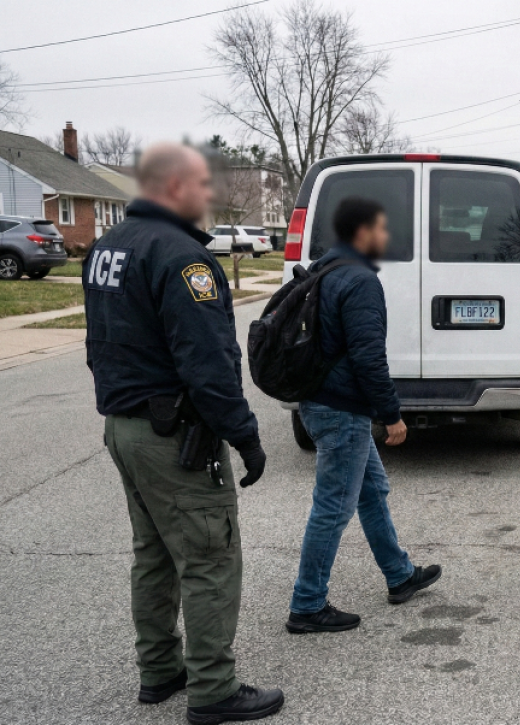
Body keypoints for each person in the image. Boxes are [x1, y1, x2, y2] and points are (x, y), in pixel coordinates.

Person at [85, 143, 283, 722]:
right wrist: (244, 434)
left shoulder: (107, 248)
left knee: (153, 555)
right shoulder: (183, 259)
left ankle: (160, 670)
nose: (210, 196)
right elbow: (209, 363)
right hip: (172, 436)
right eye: (201, 185)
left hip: (124, 428)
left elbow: (100, 346)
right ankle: (214, 690)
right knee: (208, 554)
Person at [286, 197, 442, 634]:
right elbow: (369, 357)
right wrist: (391, 415)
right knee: (333, 506)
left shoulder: (324, 271)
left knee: (372, 491)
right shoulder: (359, 281)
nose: (386, 236)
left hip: (320, 401)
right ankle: (307, 604)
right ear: (362, 232)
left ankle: (400, 574)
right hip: (342, 410)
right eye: (381, 228)